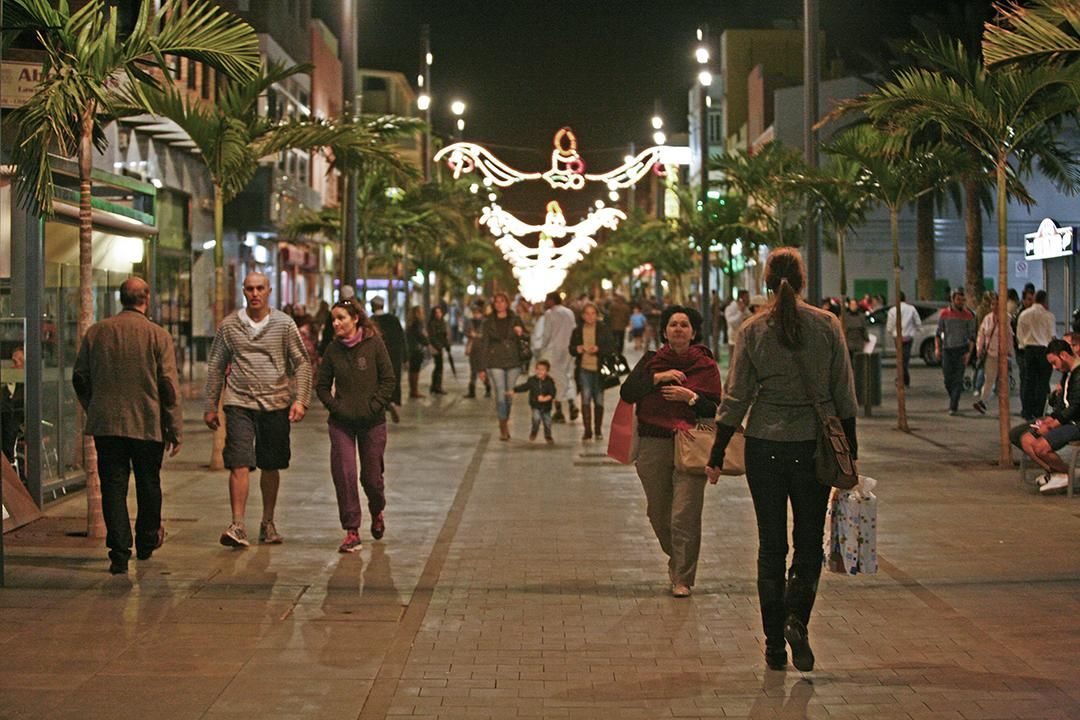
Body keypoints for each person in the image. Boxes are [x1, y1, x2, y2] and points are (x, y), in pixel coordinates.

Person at [706, 247, 858, 673]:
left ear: (766, 282)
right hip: (815, 446)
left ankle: (774, 645)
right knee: (808, 543)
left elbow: (736, 397)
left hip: (764, 445)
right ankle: (796, 618)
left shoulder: (753, 330)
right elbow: (845, 396)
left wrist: (716, 453)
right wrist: (851, 455)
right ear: (804, 280)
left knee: (771, 546)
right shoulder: (827, 325)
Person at [72, 277, 182, 574]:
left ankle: (119, 551)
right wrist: (174, 427)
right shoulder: (158, 336)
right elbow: (168, 386)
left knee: (113, 487)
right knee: (149, 484)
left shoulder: (97, 333)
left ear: (122, 299)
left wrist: (93, 406)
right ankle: (146, 541)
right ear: (146, 299)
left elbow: (80, 377)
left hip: (107, 424)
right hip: (148, 423)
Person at [619, 305, 722, 599]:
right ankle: (677, 559)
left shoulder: (705, 365)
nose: (678, 328)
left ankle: (683, 577)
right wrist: (659, 378)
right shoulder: (651, 362)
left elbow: (716, 408)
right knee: (659, 513)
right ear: (664, 331)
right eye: (673, 324)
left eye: (684, 324)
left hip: (691, 444)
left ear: (693, 332)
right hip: (654, 444)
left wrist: (690, 397)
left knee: (684, 515)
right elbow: (628, 392)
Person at [204, 271, 312, 548]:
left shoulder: (284, 324)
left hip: (275, 403)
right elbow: (216, 365)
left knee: (270, 464)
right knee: (239, 461)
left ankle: (267, 521)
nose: (255, 293)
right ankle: (238, 524)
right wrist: (210, 406)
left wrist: (301, 399)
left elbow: (301, 362)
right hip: (239, 402)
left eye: (259, 288)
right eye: (250, 288)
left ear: (269, 291)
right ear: (243, 291)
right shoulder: (229, 326)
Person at [315, 299, 396, 552]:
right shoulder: (333, 350)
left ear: (356, 319)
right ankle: (351, 530)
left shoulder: (374, 345)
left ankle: (377, 510)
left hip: (372, 422)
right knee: (345, 474)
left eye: (341, 318)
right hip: (342, 424)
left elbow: (388, 379)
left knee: (371, 477)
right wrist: (337, 408)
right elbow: (322, 386)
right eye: (334, 319)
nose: (336, 323)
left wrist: (374, 406)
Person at [1010, 337, 1080, 494]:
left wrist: (1051, 425)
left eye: (1054, 363)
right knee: (1025, 438)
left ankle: (1067, 474)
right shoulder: (1068, 372)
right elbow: (1063, 404)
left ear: (1063, 355)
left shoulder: (1078, 373)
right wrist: (1050, 419)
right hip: (1066, 419)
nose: (1054, 368)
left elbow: (1075, 407)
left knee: (1039, 446)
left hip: (1076, 424)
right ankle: (1058, 473)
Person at [477, 292, 527, 441]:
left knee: (509, 396)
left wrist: (520, 333)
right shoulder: (488, 322)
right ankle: (503, 427)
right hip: (495, 361)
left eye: (502, 301)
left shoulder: (515, 319)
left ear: (507, 303)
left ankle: (505, 419)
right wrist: (482, 368)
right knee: (500, 395)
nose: (499, 304)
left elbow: (526, 337)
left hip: (513, 360)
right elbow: (484, 344)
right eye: (497, 302)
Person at [569, 302, 617, 441]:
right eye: (587, 314)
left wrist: (599, 349)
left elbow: (612, 348)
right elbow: (571, 349)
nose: (590, 316)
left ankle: (598, 430)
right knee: (585, 398)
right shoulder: (577, 330)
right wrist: (576, 349)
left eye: (593, 313)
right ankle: (587, 430)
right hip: (584, 368)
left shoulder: (603, 329)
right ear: (583, 316)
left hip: (599, 369)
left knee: (599, 399)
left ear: (597, 315)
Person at [935, 289, 977, 415]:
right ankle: (954, 394)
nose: (961, 302)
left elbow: (972, 336)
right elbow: (938, 333)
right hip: (947, 350)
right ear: (953, 299)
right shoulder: (944, 314)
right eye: (958, 299)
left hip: (961, 350)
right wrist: (937, 348)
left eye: (963, 300)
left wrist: (969, 353)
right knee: (948, 379)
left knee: (958, 379)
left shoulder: (969, 315)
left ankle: (953, 405)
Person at [1016, 289, 1056, 420]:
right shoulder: (1049, 316)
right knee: (1043, 382)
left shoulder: (1024, 314)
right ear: (1045, 301)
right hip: (1044, 350)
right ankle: (1039, 411)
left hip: (1028, 350)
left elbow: (1019, 335)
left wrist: (1023, 345)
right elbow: (1052, 336)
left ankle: (1027, 410)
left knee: (1029, 381)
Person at [540, 291, 578, 424]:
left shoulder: (550, 314)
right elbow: (574, 330)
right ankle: (572, 404)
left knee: (555, 379)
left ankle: (559, 410)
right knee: (568, 376)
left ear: (551, 300)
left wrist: (542, 349)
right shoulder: (569, 312)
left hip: (554, 350)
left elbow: (547, 334)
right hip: (569, 349)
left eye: (547, 299)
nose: (545, 302)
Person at [973, 292, 1013, 415]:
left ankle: (1003, 405)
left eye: (996, 304)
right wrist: (979, 349)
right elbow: (981, 334)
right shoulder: (987, 318)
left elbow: (1009, 335)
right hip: (990, 353)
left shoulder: (1006, 318)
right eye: (992, 304)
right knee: (989, 378)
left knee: (1003, 380)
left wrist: (1009, 351)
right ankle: (983, 401)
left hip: (1002, 354)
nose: (994, 307)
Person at [369, 296, 404, 423]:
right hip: (394, 355)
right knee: (394, 377)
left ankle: (384, 402)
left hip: (378, 355)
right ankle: (394, 401)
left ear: (373, 306)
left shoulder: (372, 321)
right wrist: (405, 356)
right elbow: (401, 337)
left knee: (380, 379)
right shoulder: (393, 319)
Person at [514, 359, 557, 444]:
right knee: (536, 419)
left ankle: (548, 436)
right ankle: (534, 431)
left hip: (546, 407)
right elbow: (525, 387)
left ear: (547, 371)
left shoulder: (550, 382)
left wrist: (545, 398)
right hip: (535, 405)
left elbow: (552, 393)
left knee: (547, 422)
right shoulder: (532, 380)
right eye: (538, 369)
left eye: (542, 369)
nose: (540, 371)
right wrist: (515, 390)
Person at [885, 292, 919, 387]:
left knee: (900, 359)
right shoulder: (911, 309)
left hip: (897, 338)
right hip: (908, 337)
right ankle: (904, 378)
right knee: (905, 359)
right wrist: (914, 330)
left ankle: (901, 378)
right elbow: (917, 322)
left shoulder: (892, 310)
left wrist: (892, 332)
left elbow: (889, 326)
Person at [1, 345, 26, 465]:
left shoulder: (28, 388)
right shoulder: (9, 387)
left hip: (19, 427)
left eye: (16, 363)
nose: (13, 366)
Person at [464, 302, 492, 399]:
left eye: (477, 313)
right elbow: (467, 334)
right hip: (473, 349)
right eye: (474, 313)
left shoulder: (485, 323)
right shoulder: (471, 322)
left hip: (482, 350)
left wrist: (476, 335)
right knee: (473, 370)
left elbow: (487, 337)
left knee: (482, 370)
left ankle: (488, 387)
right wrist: (469, 337)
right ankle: (471, 391)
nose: (476, 315)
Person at [405, 306, 431, 400]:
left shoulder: (410, 323)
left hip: (411, 349)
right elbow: (421, 335)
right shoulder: (418, 323)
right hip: (417, 350)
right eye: (421, 311)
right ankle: (414, 391)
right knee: (415, 371)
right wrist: (427, 342)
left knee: (412, 371)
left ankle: (412, 390)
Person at [427, 306, 450, 395]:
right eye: (436, 312)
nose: (438, 314)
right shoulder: (432, 323)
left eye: (439, 312)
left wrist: (446, 345)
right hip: (436, 348)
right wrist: (439, 346)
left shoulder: (442, 322)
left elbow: (444, 335)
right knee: (438, 367)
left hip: (440, 347)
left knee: (438, 367)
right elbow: (432, 337)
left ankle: (435, 386)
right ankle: (436, 387)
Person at [724, 290, 751, 361]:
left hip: (744, 340)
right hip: (734, 340)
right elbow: (732, 323)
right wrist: (740, 312)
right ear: (741, 298)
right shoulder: (731, 308)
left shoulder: (746, 309)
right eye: (746, 297)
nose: (748, 299)